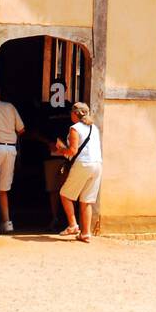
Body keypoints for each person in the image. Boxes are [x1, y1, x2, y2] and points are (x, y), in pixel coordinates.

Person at [54, 102, 102, 242]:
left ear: (76, 114)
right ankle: (85, 234)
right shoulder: (94, 128)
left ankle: (73, 225)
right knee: (87, 200)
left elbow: (73, 151)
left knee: (64, 194)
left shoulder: (74, 128)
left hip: (83, 164)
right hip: (97, 164)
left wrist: (61, 149)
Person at [0, 85, 25, 235]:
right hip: (10, 149)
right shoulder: (10, 107)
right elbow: (21, 129)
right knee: (4, 189)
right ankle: (7, 222)